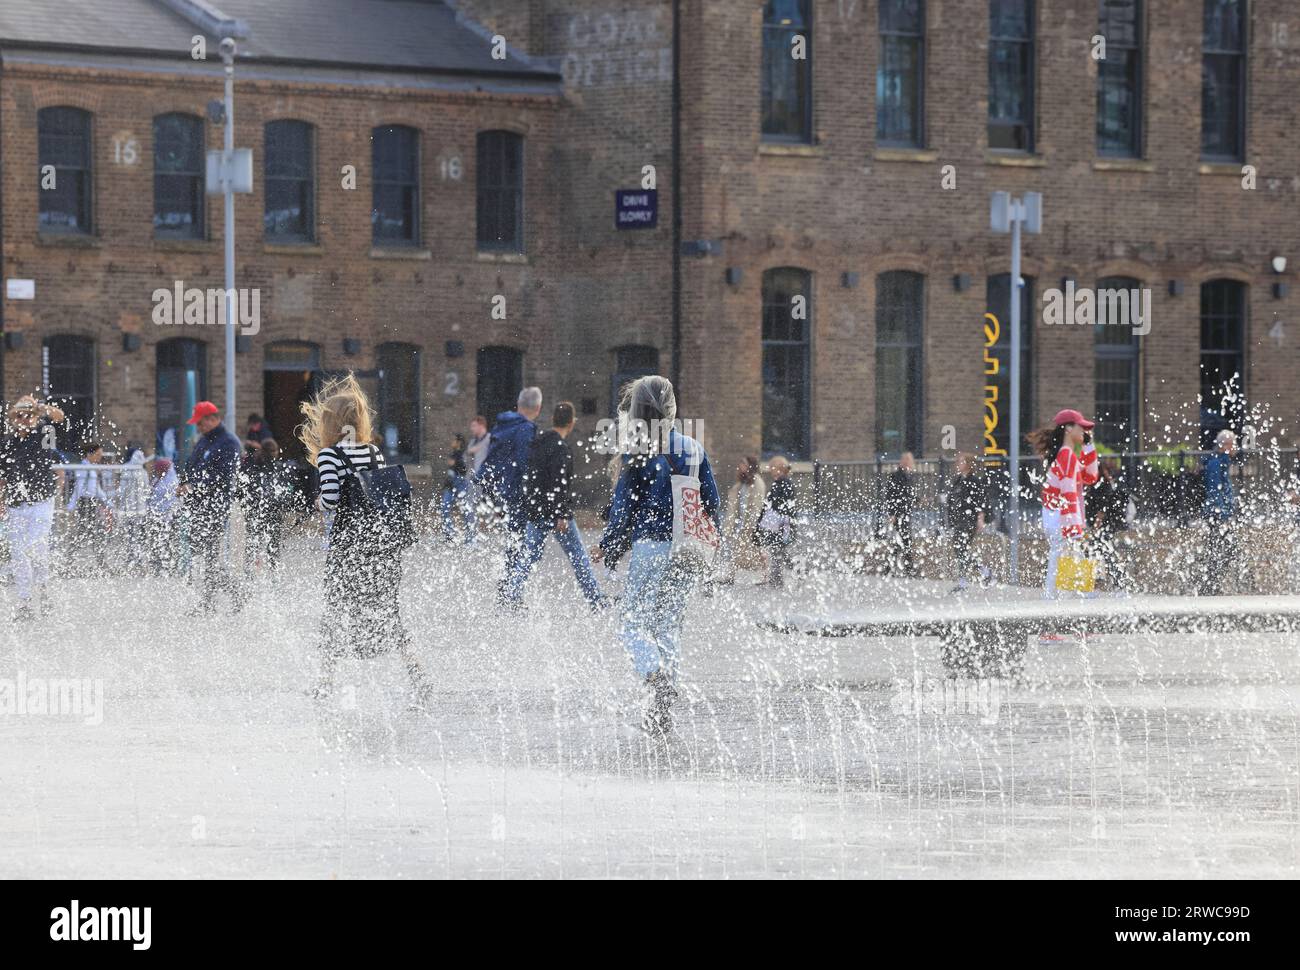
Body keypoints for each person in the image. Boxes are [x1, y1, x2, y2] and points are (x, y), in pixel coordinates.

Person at [595, 376, 720, 735]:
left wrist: (611, 545)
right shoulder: (694, 449)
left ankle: (653, 676)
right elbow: (710, 504)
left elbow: (624, 509)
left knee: (633, 624)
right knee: (669, 625)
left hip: (652, 544)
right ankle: (662, 711)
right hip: (686, 547)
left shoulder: (638, 451)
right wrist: (716, 550)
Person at [300, 374, 431, 703]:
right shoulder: (373, 452)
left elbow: (330, 499)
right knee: (389, 611)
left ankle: (326, 683)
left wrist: (318, 502)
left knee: (335, 612)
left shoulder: (330, 456)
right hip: (382, 549)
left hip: (348, 550)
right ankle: (418, 675)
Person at [504, 401, 605, 610]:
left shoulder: (537, 443)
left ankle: (512, 595)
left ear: (553, 420)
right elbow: (559, 483)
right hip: (556, 514)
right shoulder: (561, 449)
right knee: (578, 556)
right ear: (571, 422)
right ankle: (596, 599)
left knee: (529, 556)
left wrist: (532, 507)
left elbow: (532, 478)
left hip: (537, 510)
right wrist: (561, 513)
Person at [0, 396, 66, 621]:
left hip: (41, 502)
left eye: (28, 415)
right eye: (19, 415)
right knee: (19, 554)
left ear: (35, 417)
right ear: (13, 419)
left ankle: (44, 591)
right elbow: (2, 477)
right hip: (16, 505)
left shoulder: (43, 435)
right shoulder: (7, 443)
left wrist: (40, 408)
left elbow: (59, 417)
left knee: (35, 547)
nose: (23, 419)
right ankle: (25, 602)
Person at [476, 388, 542, 605]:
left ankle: (508, 589)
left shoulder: (504, 426)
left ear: (518, 403)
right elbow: (527, 464)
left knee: (515, 543)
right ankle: (511, 593)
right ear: (538, 408)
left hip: (508, 492)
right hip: (521, 495)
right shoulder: (525, 429)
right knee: (526, 546)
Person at [1027, 409, 1099, 599]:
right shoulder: (1065, 456)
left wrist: (1089, 446)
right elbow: (1067, 492)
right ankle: (1054, 595)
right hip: (1060, 516)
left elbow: (1091, 476)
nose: (1084, 431)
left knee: (1067, 552)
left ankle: (1077, 592)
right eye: (1081, 427)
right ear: (1068, 428)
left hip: (1061, 515)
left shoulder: (1067, 455)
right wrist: (1072, 525)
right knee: (1060, 553)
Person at [180, 401, 242, 615]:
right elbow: (192, 465)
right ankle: (232, 593)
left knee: (209, 557)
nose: (198, 427)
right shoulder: (204, 440)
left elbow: (223, 477)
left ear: (213, 419)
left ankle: (211, 602)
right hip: (198, 507)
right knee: (202, 556)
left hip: (215, 508)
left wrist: (194, 486)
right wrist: (184, 482)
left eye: (200, 423)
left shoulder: (229, 443)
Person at [713, 456, 767, 586]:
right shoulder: (742, 483)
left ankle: (765, 576)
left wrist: (751, 524)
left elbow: (757, 505)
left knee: (757, 551)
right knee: (737, 550)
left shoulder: (757, 482)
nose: (740, 465)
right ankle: (730, 576)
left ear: (750, 466)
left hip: (752, 524)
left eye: (743, 463)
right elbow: (735, 505)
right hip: (741, 522)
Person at [242, 439, 290, 575]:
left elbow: (247, 489)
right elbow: (286, 491)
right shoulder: (279, 467)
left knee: (254, 542)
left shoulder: (253, 466)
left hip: (258, 511)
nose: (274, 454)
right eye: (273, 451)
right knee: (271, 545)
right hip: (272, 511)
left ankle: (250, 573)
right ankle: (272, 574)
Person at [947, 452, 992, 593]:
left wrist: (980, 519)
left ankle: (965, 581)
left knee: (961, 549)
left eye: (961, 462)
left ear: (968, 464)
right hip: (959, 520)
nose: (958, 464)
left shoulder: (975, 481)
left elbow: (981, 501)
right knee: (961, 550)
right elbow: (952, 500)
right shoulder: (957, 480)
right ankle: (983, 572)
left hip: (969, 520)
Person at [1201, 429, 1238, 595]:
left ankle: (1211, 583)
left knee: (1220, 548)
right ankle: (1209, 584)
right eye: (1233, 444)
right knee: (1224, 548)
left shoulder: (1222, 462)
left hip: (1220, 513)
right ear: (1225, 445)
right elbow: (1215, 491)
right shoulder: (1216, 463)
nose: (1235, 447)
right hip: (1216, 514)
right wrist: (1222, 515)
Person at [754, 456, 797, 588]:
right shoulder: (780, 482)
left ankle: (778, 580)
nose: (770, 470)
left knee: (778, 549)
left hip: (782, 525)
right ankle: (787, 574)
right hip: (780, 524)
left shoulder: (784, 483)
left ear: (780, 469)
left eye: (772, 467)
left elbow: (781, 505)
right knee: (779, 550)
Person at [66, 440, 112, 562]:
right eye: (98, 454)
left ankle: (72, 558)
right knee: (87, 531)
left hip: (91, 502)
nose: (100, 457)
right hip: (84, 502)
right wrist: (71, 505)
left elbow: (96, 488)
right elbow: (79, 487)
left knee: (88, 531)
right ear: (89, 454)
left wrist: (108, 502)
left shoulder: (91, 468)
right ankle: (98, 561)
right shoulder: (83, 467)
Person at [1089, 459, 1131, 589]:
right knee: (1102, 552)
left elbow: (1101, 510)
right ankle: (1113, 580)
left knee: (1100, 552)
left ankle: (1116, 581)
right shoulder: (1107, 483)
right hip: (1108, 525)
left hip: (1104, 526)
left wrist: (1095, 527)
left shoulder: (1101, 485)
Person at [884, 452, 918, 577]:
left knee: (900, 542)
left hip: (906, 512)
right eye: (906, 460)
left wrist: (917, 500)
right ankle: (908, 568)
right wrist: (892, 513)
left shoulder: (909, 476)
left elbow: (908, 495)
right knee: (905, 540)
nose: (909, 462)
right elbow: (891, 496)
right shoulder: (896, 476)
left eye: (909, 460)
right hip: (898, 513)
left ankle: (889, 567)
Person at [145, 457, 181, 574]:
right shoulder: (158, 479)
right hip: (156, 517)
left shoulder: (171, 481)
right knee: (156, 541)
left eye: (158, 470)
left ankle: (169, 567)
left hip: (168, 517)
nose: (157, 472)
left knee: (168, 542)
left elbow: (161, 495)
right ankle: (157, 565)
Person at [440, 432, 471, 543]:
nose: (451, 442)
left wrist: (455, 463)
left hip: (459, 483)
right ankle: (450, 534)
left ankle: (469, 536)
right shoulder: (455, 454)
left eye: (453, 440)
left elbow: (463, 469)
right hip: (451, 484)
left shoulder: (461, 454)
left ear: (458, 442)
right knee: (445, 508)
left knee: (464, 510)